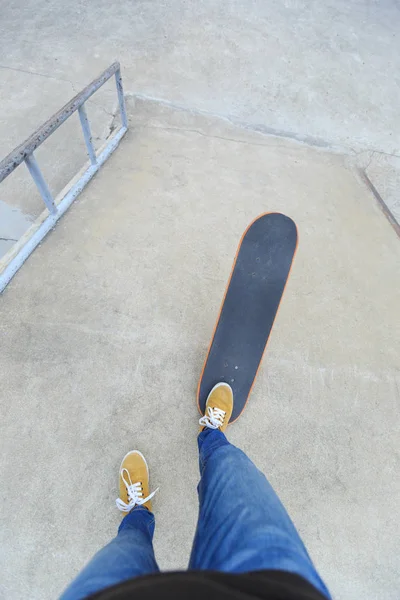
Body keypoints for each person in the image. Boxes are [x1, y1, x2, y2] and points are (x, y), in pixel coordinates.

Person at [61, 383, 331, 600]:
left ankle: (138, 513)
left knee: (129, 543)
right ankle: (212, 436)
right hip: (267, 586)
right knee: (231, 469)